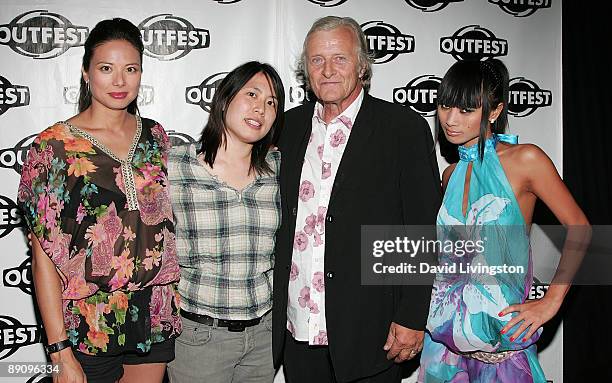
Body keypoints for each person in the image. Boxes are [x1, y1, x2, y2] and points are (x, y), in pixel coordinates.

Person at [272, 16, 442, 383]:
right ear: (306, 70)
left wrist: (412, 316)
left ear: (362, 66)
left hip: (372, 334)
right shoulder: (286, 127)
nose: (328, 70)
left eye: (340, 59)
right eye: (317, 60)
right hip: (297, 331)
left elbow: (422, 229)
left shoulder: (402, 128)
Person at [17, 18, 181, 383]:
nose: (120, 81)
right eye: (107, 68)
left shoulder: (156, 137)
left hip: (153, 312)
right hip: (88, 321)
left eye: (131, 69)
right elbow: (43, 258)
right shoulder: (53, 148)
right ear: (86, 73)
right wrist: (58, 350)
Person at [418, 59, 590, 382]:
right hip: (443, 354)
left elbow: (581, 229)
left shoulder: (526, 161)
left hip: (503, 357)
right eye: (444, 106)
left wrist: (551, 301)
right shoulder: (450, 174)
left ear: (494, 112)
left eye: (466, 110)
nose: (450, 120)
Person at [166, 61, 284, 383]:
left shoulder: (281, 171)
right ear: (224, 98)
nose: (260, 108)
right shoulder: (174, 165)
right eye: (252, 94)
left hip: (264, 337)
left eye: (271, 102)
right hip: (198, 338)